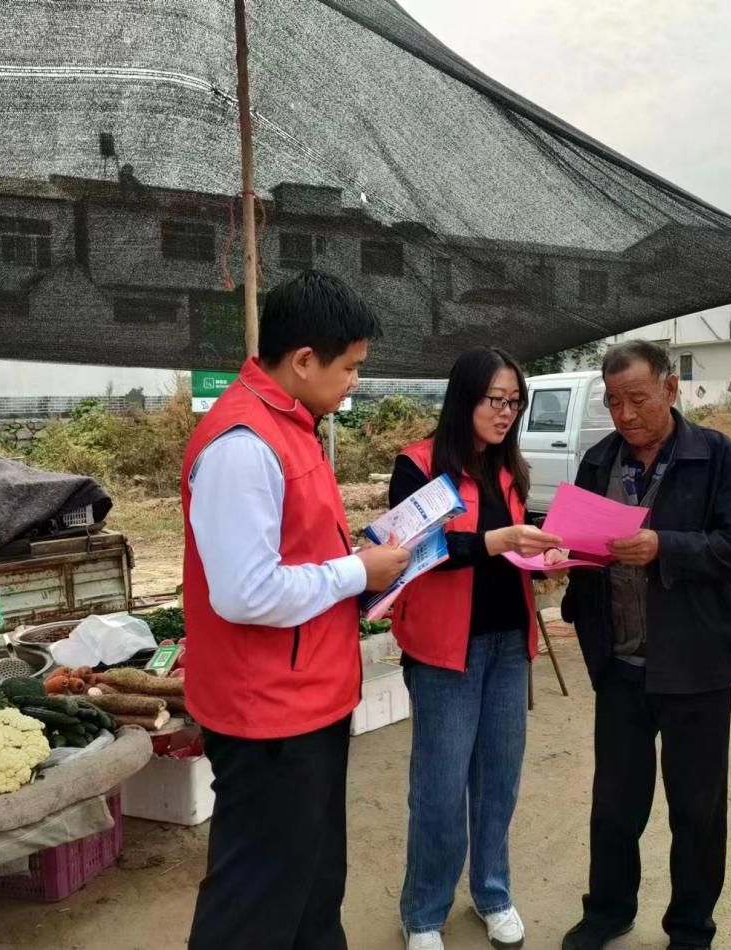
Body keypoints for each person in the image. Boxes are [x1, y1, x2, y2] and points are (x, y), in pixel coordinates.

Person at [181, 270, 411, 950]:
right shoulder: (242, 445)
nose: (354, 382)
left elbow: (298, 547)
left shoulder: (292, 423)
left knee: (311, 883)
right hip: (268, 713)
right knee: (255, 900)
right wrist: (356, 571)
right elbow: (244, 592)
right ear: (304, 359)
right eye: (350, 367)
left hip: (309, 696)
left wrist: (362, 570)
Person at [559, 341, 731, 950]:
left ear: (671, 390)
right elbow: (583, 545)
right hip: (620, 662)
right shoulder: (599, 461)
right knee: (614, 803)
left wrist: (665, 547)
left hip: (696, 664)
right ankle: (608, 911)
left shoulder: (719, 458)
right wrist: (563, 561)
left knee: (696, 809)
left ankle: (690, 928)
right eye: (613, 401)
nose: (624, 414)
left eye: (637, 399)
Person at [389, 346, 563, 950]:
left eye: (514, 402)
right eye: (496, 400)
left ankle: (493, 893)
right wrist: (495, 540)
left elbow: (513, 550)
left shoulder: (510, 469)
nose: (506, 412)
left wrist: (546, 555)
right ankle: (423, 913)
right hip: (445, 651)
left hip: (509, 643)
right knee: (439, 788)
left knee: (498, 780)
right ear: (464, 398)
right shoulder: (418, 466)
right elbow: (411, 553)